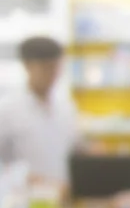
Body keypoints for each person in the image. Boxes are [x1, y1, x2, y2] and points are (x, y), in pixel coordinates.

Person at [0, 36, 81, 188]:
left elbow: (73, 150)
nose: (53, 74)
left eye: (56, 67)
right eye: (46, 67)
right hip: (23, 199)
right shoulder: (7, 110)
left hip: (63, 195)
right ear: (27, 66)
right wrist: (21, 177)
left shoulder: (66, 107)